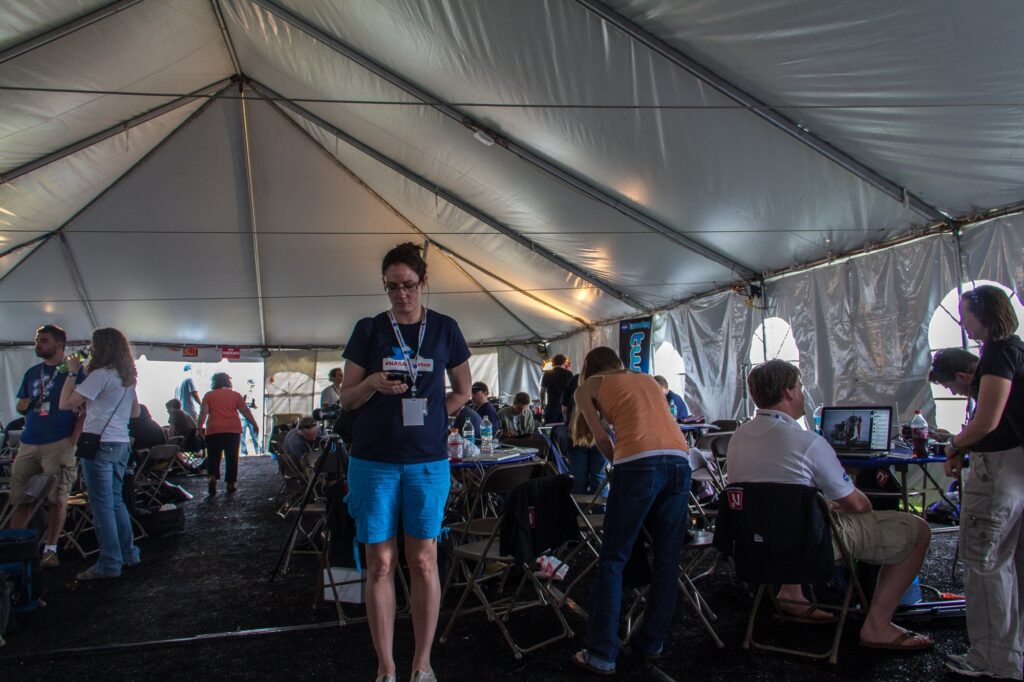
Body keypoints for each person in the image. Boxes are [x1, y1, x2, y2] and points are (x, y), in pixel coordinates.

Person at [727, 360, 933, 650]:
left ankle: (791, 594)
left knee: (793, 512)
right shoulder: (807, 442)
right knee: (918, 530)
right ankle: (877, 625)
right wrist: (839, 502)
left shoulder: (737, 438)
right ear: (788, 392)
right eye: (799, 387)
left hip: (754, 544)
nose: (801, 393)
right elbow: (858, 505)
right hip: (809, 546)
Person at [340, 241, 471, 682]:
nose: (401, 295)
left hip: (427, 463)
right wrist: (374, 383)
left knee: (424, 561)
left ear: (423, 282)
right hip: (373, 460)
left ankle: (422, 663)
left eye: (409, 286)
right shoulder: (369, 329)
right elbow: (347, 398)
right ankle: (386, 667)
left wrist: (434, 416)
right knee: (379, 562)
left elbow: (463, 391)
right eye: (392, 287)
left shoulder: (446, 329)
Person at [570, 347, 692, 675]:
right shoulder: (647, 379)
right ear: (618, 363)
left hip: (638, 463)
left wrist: (618, 465)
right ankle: (650, 642)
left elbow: (601, 438)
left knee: (613, 559)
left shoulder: (587, 387)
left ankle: (601, 653)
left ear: (588, 369)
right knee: (668, 560)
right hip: (681, 460)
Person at [940, 286, 1024, 679]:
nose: (963, 322)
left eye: (966, 314)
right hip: (1015, 469)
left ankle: (991, 658)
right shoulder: (1016, 350)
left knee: (985, 561)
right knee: (1008, 562)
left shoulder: (997, 353)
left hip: (998, 469)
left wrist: (954, 444)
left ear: (984, 314)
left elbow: (988, 421)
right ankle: (1010, 654)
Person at [58, 327, 141, 580]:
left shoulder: (100, 375)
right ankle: (128, 553)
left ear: (100, 347)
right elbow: (135, 412)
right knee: (115, 502)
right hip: (120, 442)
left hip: (99, 443)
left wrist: (72, 373)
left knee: (102, 505)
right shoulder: (126, 377)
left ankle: (109, 563)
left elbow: (65, 404)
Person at [9, 325, 85, 569]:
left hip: (59, 442)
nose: (37, 345)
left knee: (57, 498)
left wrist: (72, 440)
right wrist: (22, 407)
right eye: (36, 340)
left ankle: (50, 549)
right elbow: (21, 405)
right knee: (20, 498)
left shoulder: (75, 373)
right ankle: (14, 548)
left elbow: (85, 411)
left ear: (60, 345)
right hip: (29, 441)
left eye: (43, 341)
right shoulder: (32, 373)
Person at [197, 372, 258, 496]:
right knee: (231, 457)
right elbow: (245, 411)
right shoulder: (235, 395)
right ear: (228, 381)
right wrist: (254, 423)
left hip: (213, 429)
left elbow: (203, 413)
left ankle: (212, 478)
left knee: (214, 456)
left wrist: (199, 428)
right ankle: (230, 484)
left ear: (214, 382)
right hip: (232, 429)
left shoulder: (209, 395)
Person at [561, 371, 605, 495]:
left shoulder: (575, 379)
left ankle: (579, 512)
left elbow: (564, 409)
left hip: (576, 433)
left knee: (578, 479)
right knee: (598, 478)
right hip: (601, 435)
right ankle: (599, 512)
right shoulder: (607, 381)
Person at [540, 354, 572, 424]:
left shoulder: (547, 374)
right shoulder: (569, 374)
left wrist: (542, 404)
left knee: (549, 428)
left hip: (551, 406)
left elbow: (542, 391)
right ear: (564, 362)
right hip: (565, 406)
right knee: (562, 428)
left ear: (553, 362)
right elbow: (571, 391)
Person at [240, 379, 261, 456]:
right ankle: (243, 451)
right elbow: (241, 405)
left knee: (254, 434)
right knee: (242, 435)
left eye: (253, 386)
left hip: (251, 417)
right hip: (243, 417)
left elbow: (254, 405)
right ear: (247, 384)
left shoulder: (254, 393)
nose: (252, 387)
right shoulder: (243, 393)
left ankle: (257, 450)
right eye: (251, 385)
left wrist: (253, 405)